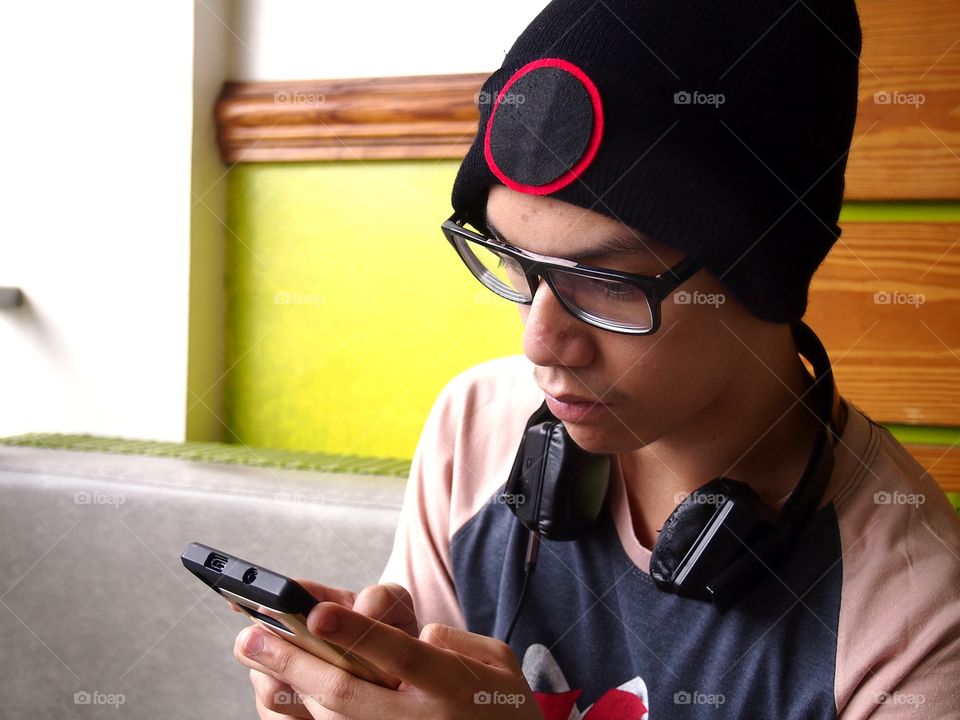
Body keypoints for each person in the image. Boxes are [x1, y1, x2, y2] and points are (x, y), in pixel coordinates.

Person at [233, 0, 960, 717]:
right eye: (515, 263)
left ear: (760, 276)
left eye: (605, 283)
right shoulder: (476, 424)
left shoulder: (919, 626)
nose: (538, 343)